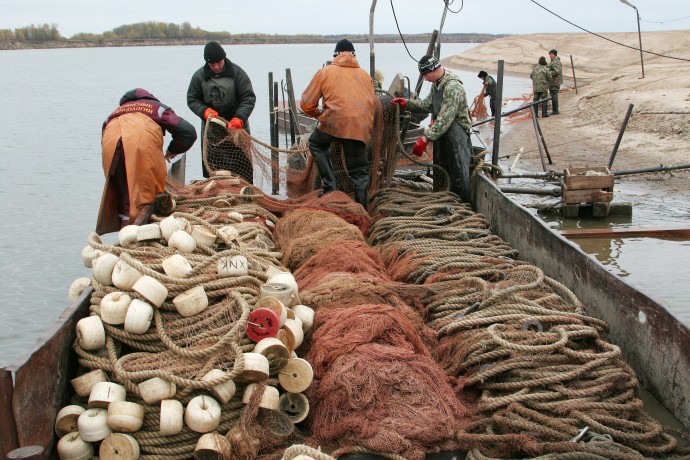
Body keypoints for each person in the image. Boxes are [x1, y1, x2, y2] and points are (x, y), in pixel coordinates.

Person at [97, 88, 197, 234]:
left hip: (110, 144)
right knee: (146, 194)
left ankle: (125, 232)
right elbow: (187, 132)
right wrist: (174, 149)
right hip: (139, 141)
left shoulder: (114, 113)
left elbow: (103, 132)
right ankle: (138, 233)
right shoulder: (157, 108)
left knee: (122, 191)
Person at [300, 38, 377, 208]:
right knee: (359, 171)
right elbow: (372, 102)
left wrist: (318, 114)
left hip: (334, 122)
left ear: (335, 55)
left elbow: (306, 103)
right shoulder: (365, 75)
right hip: (359, 127)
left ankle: (330, 187)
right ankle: (362, 208)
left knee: (316, 143)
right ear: (353, 55)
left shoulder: (326, 72)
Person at [391, 55, 474, 203]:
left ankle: (461, 207)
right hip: (442, 136)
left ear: (433, 69)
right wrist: (407, 103)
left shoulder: (452, 87)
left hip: (457, 136)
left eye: (425, 75)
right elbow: (427, 105)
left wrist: (425, 138)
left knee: (459, 173)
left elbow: (445, 119)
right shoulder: (437, 85)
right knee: (441, 170)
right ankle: (441, 202)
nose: (425, 79)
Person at [187, 41, 256, 181]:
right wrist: (204, 111)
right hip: (212, 129)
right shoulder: (199, 77)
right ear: (207, 63)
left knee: (242, 169)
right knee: (213, 169)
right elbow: (192, 99)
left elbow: (248, 98)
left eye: (219, 62)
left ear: (224, 58)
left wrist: (239, 117)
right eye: (212, 64)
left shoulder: (238, 73)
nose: (216, 66)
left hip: (237, 128)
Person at [548, 49, 563, 115]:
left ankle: (555, 110)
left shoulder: (555, 62)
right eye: (549, 54)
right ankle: (555, 110)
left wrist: (548, 73)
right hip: (554, 81)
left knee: (554, 95)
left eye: (551, 54)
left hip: (555, 81)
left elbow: (556, 71)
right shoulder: (554, 61)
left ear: (555, 55)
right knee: (553, 94)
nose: (550, 56)